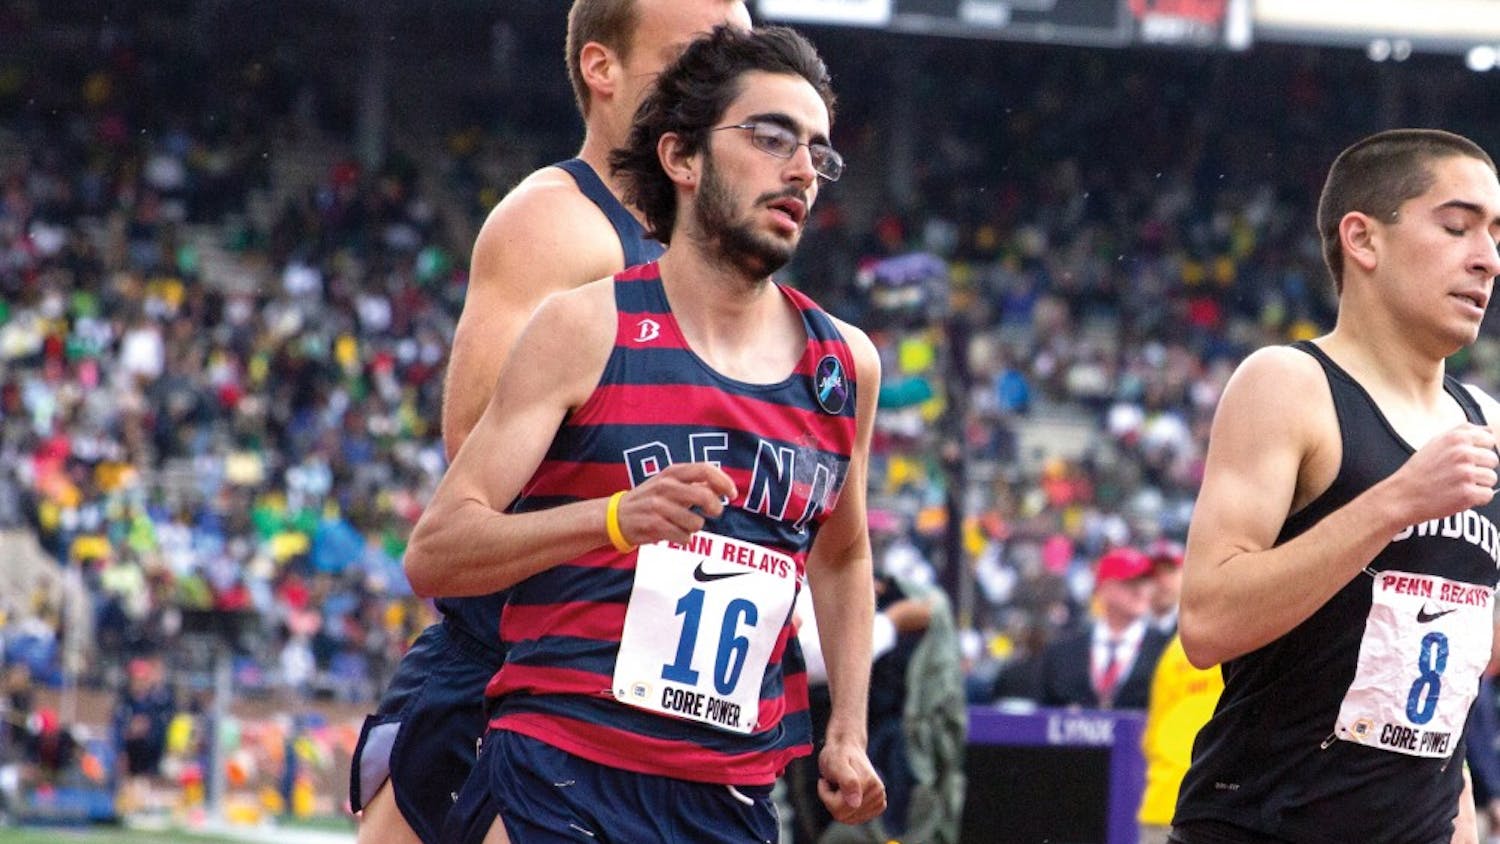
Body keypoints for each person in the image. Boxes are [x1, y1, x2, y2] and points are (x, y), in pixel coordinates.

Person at [406, 24, 886, 843]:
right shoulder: (586, 327)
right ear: (682, 158)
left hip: (730, 800)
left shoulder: (847, 366)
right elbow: (438, 549)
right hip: (561, 775)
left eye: (818, 151)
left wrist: (847, 729)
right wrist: (614, 519)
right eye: (771, 137)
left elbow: (841, 557)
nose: (803, 169)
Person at [349, 4, 751, 843]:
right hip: (526, 679)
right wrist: (631, 510)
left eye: (739, 55)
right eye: (696, 55)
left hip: (650, 704)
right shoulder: (560, 227)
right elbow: (476, 464)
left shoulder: (718, 245)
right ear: (602, 70)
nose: (728, 79)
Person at [1173, 129, 1500, 843]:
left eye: (1496, 236)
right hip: (1262, 824)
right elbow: (1207, 622)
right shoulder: (1288, 384)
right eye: (1456, 227)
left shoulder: (1490, 424)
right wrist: (1397, 502)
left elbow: (1455, 672)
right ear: (1363, 239)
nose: (1488, 259)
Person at [1037, 547, 1171, 710]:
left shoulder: (1167, 649)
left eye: (1146, 583)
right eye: (1131, 583)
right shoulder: (1061, 653)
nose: (1141, 591)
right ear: (1104, 588)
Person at [1145, 538, 1184, 635]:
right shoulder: (1129, 623)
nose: (1162, 580)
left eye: (1169, 571)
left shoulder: (1197, 626)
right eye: (1153, 572)